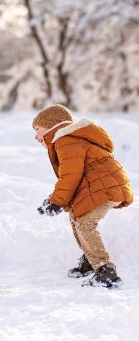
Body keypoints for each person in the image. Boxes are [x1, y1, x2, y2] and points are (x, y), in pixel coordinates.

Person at [33, 104, 133, 288]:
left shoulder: (65, 140)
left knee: (85, 222)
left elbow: (71, 175)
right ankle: (91, 260)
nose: (36, 136)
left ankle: (106, 271)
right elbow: (75, 177)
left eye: (37, 129)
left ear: (50, 126)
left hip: (106, 187)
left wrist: (57, 201)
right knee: (77, 216)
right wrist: (53, 200)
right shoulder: (69, 139)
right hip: (105, 186)